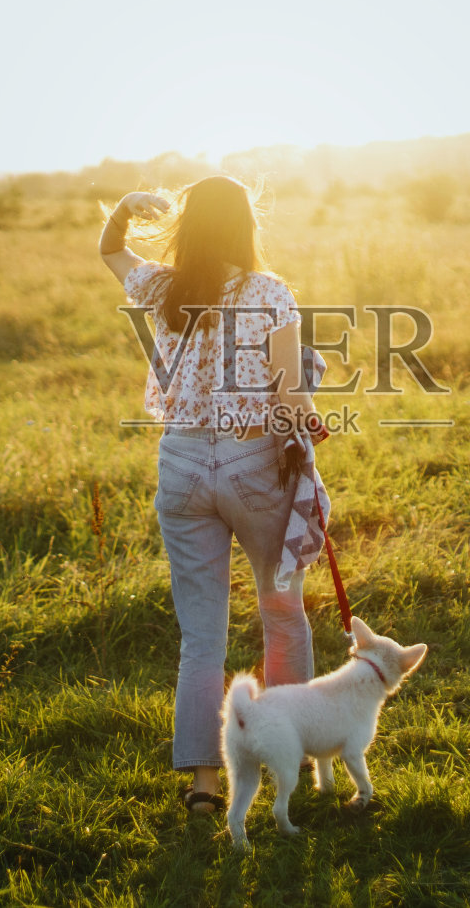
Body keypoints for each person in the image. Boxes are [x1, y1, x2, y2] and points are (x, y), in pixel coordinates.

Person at [99, 175, 325, 815]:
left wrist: (123, 208)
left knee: (201, 636)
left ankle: (202, 784)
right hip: (253, 461)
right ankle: (290, 758)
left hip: (183, 462)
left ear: (187, 226)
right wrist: (309, 422)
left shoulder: (161, 288)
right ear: (245, 226)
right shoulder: (270, 292)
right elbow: (288, 393)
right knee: (282, 612)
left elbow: (110, 253)